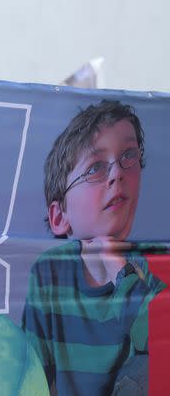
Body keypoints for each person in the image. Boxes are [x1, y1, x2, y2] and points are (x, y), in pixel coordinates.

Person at [22, 100, 166, 395]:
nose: (117, 174)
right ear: (60, 217)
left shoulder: (157, 267)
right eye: (95, 168)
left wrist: (121, 269)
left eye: (129, 155)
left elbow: (159, 351)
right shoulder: (51, 271)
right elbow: (33, 371)